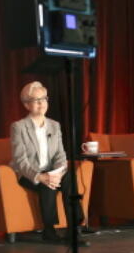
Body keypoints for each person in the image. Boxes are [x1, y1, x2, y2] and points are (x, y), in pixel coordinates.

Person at [9, 80, 87, 243]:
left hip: (51, 171)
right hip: (29, 173)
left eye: (44, 98)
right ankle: (49, 231)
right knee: (47, 184)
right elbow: (20, 160)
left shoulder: (54, 125)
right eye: (36, 100)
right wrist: (39, 176)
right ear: (26, 105)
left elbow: (60, 154)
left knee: (69, 177)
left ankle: (74, 229)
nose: (41, 103)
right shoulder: (19, 127)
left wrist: (58, 172)